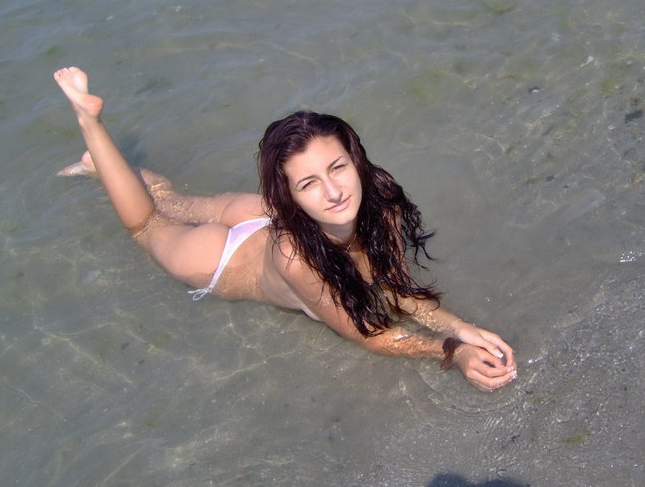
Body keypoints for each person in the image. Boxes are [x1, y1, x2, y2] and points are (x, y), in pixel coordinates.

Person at [53, 66, 517, 391]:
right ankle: (91, 126)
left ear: (356, 161)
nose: (334, 192)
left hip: (263, 215)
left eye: (337, 168)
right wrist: (450, 352)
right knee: (147, 223)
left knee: (172, 201)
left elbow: (395, 289)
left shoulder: (381, 204)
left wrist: (461, 328)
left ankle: (102, 165)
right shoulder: (299, 261)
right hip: (221, 258)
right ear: (290, 195)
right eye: (310, 183)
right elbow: (368, 333)